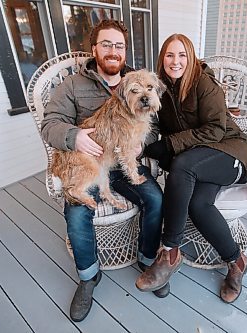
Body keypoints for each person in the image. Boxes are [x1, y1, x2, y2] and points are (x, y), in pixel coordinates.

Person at [41, 20, 167, 323]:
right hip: (89, 161)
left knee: (155, 197)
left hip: (124, 163)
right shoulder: (71, 85)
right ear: (94, 48)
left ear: (125, 51)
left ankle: (148, 260)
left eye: (119, 45)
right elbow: (50, 124)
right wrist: (75, 137)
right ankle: (88, 277)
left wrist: (140, 146)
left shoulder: (136, 80)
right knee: (76, 212)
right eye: (106, 44)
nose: (113, 51)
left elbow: (153, 126)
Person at [135, 34, 247, 304]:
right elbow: (155, 129)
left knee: (182, 163)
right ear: (161, 59)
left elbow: (215, 129)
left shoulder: (204, 83)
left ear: (191, 58)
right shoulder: (160, 89)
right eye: (169, 55)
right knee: (198, 204)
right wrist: (141, 146)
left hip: (230, 153)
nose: (175, 61)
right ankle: (237, 261)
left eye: (182, 55)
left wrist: (167, 146)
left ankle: (170, 252)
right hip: (198, 162)